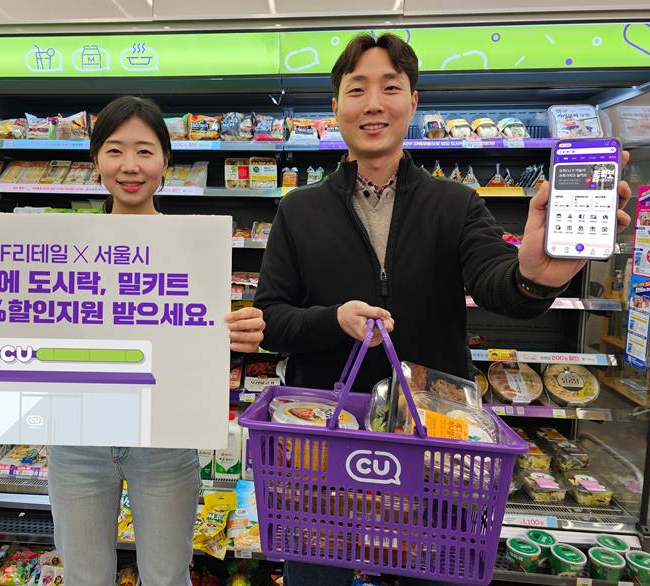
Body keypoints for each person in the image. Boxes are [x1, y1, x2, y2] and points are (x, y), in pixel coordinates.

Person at [253, 34, 632, 586]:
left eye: (390, 88)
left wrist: (534, 277)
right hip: (327, 442)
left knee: (433, 568)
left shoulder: (456, 203)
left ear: (413, 103)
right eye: (357, 90)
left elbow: (498, 285)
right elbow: (272, 319)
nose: (373, 104)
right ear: (335, 107)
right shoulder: (298, 210)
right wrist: (334, 319)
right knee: (317, 572)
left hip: (438, 443)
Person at [0, 96, 266, 586]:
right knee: (85, 576)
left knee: (167, 575)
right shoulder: (54, 249)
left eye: (144, 150)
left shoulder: (194, 252)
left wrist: (240, 332)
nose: (130, 165)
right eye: (114, 150)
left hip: (164, 441)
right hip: (77, 440)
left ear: (166, 160)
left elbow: (200, 335)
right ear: (95, 159)